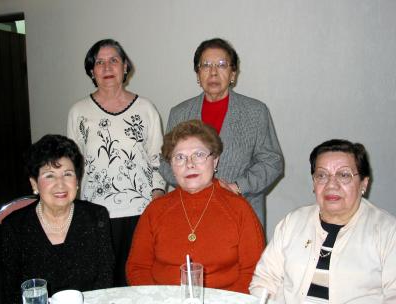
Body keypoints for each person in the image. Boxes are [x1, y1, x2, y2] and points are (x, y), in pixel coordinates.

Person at [67, 39, 166, 286]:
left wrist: (157, 196)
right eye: (99, 62)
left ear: (125, 67)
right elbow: (71, 166)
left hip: (141, 211)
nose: (107, 67)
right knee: (103, 281)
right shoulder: (78, 111)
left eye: (114, 60)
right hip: (95, 212)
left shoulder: (145, 109)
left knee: (138, 280)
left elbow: (158, 158)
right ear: (92, 71)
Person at [126, 120, 265, 294]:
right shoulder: (156, 210)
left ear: (215, 161)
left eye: (199, 155)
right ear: (171, 166)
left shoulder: (239, 209)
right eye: (180, 157)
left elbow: (254, 271)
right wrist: (156, 299)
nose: (189, 164)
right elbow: (138, 267)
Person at [249, 139, 396, 303]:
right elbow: (265, 281)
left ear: (364, 183)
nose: (331, 185)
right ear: (314, 183)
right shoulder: (293, 222)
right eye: (322, 175)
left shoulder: (388, 232)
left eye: (344, 175)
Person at [159, 37, 283, 226]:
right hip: (191, 213)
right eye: (206, 65)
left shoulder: (256, 111)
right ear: (197, 74)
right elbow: (165, 162)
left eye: (222, 65)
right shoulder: (180, 113)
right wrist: (193, 186)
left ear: (233, 73)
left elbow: (272, 162)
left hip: (241, 211)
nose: (213, 72)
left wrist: (238, 187)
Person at [0, 134, 114, 303]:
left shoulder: (96, 217)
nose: (60, 184)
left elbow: (105, 283)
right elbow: (9, 293)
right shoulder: (14, 227)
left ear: (77, 181)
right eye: (49, 175)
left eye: (67, 174)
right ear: (34, 183)